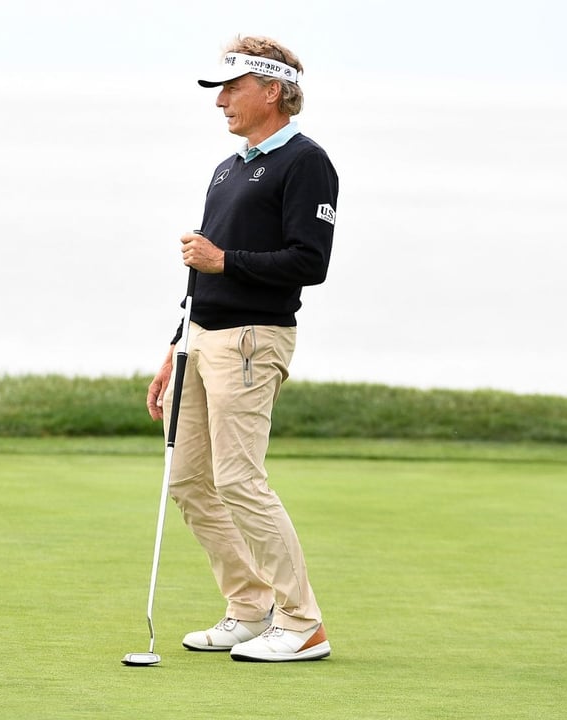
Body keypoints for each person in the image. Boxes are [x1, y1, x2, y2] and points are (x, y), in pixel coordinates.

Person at [144, 36, 338, 663]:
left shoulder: (305, 162)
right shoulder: (230, 166)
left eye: (231, 89)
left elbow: (310, 261)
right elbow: (204, 270)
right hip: (201, 339)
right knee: (188, 479)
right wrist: (175, 345)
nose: (221, 102)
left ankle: (302, 622)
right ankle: (251, 606)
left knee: (238, 478)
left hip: (254, 340)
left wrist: (223, 260)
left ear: (272, 90)